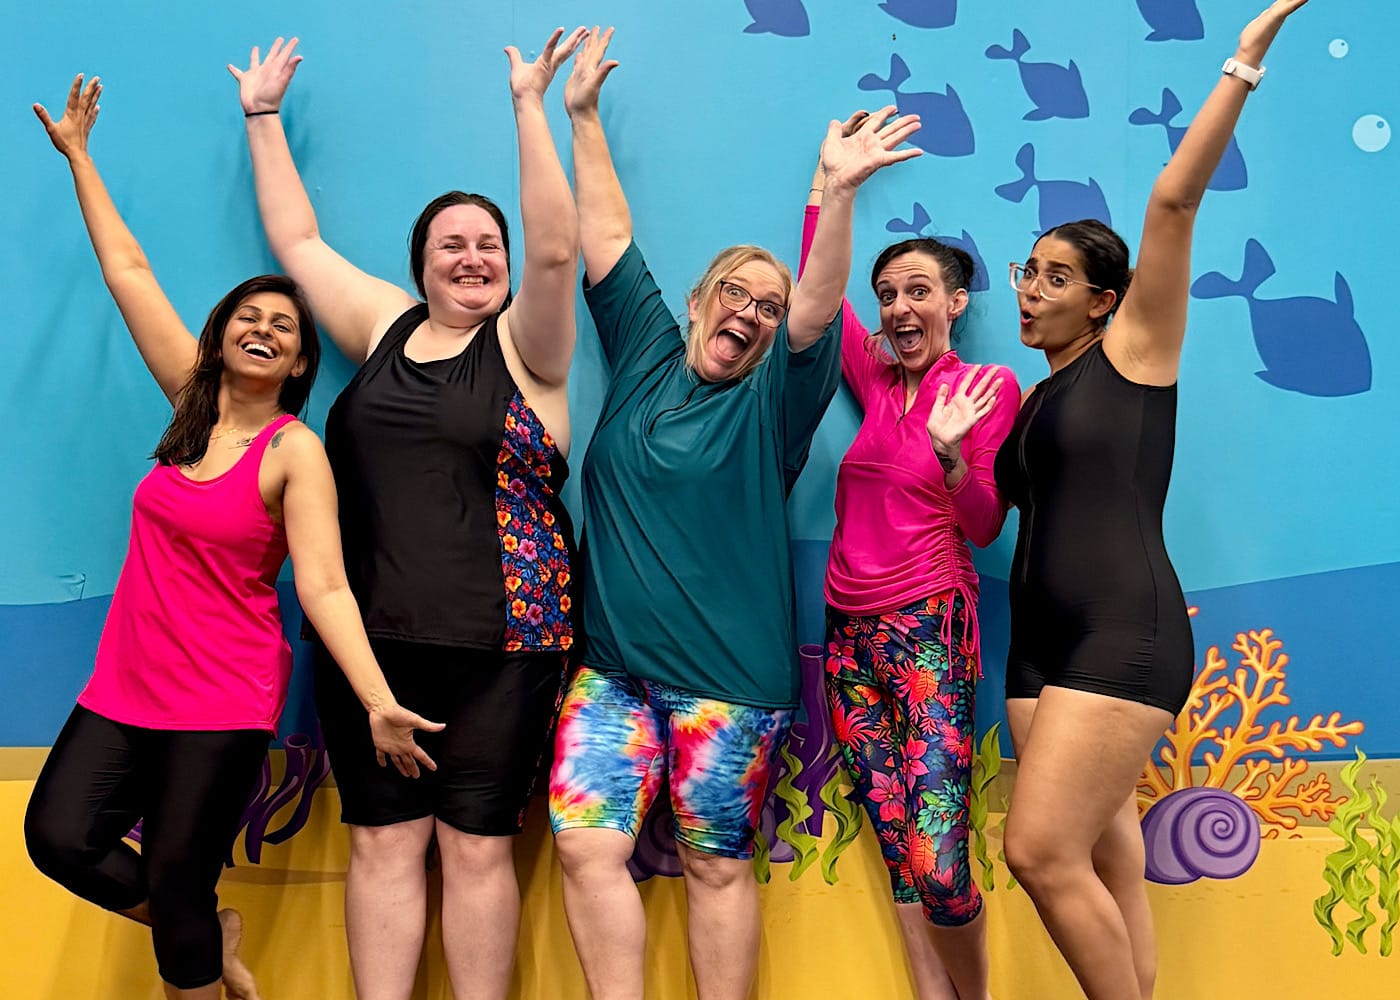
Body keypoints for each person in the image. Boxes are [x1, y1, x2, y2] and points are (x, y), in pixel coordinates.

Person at [23, 75, 441, 1000]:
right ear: (219, 341)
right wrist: (81, 160)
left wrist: (375, 699)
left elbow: (325, 588)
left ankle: (196, 945)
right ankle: (206, 940)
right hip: (127, 683)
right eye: (248, 317)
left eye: (283, 327)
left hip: (223, 696)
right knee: (58, 838)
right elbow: (128, 272)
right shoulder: (190, 406)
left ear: (298, 363)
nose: (263, 327)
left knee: (177, 878)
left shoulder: (295, 453)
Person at [545, 27, 922, 1000]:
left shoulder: (772, 402)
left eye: (766, 306)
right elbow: (607, 234)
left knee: (715, 863)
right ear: (701, 299)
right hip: (609, 678)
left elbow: (817, 307)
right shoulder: (641, 351)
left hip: (727, 687)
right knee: (586, 850)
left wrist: (833, 193)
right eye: (736, 296)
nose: (751, 314)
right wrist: (580, 116)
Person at [229, 28, 585, 1000]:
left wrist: (527, 106)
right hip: (368, 644)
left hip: (505, 649)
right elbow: (298, 243)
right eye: (450, 246)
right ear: (419, 265)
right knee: (383, 848)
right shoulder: (383, 325)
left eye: (486, 245)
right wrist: (262, 117)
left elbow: (558, 247)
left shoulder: (529, 350)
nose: (472, 258)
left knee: (474, 854)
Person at [991, 3, 1310, 998]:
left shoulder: (1132, 355)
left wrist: (1241, 64)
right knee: (1103, 854)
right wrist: (959, 461)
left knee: (1038, 853)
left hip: (1118, 635)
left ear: (1101, 299)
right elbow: (996, 514)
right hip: (1035, 650)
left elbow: (1170, 206)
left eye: (1053, 277)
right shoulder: (1033, 399)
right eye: (1024, 272)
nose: (1029, 290)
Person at [803, 116, 1019, 1000]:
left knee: (938, 861)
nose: (898, 309)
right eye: (889, 293)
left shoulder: (983, 388)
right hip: (847, 636)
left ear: (956, 302)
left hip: (929, 625)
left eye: (918, 291)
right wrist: (828, 183)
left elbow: (983, 523)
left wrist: (951, 453)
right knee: (895, 842)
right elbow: (822, 291)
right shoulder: (874, 374)